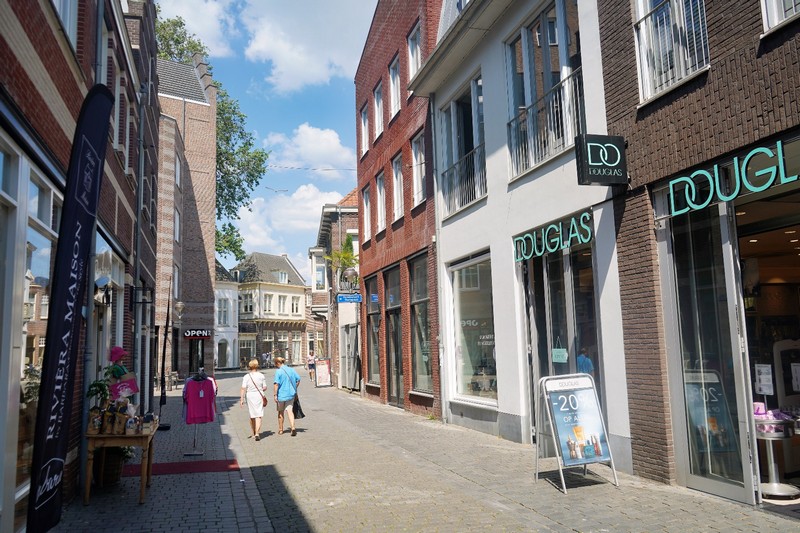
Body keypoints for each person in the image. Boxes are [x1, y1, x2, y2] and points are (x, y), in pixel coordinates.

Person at [240, 359, 268, 441]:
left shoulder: (246, 376)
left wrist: (241, 399)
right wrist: (260, 388)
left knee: (252, 414)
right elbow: (265, 387)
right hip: (259, 395)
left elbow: (243, 388)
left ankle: (253, 432)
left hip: (250, 395)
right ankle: (257, 433)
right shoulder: (261, 375)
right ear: (257, 366)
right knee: (259, 414)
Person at [273, 356, 301, 436]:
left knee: (280, 412)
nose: (275, 365)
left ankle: (281, 430)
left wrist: (275, 395)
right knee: (290, 411)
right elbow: (298, 379)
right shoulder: (291, 370)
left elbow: (276, 384)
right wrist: (294, 388)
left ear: (278, 363)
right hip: (291, 394)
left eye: (275, 363)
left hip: (281, 395)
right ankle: (293, 427)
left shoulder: (278, 372)